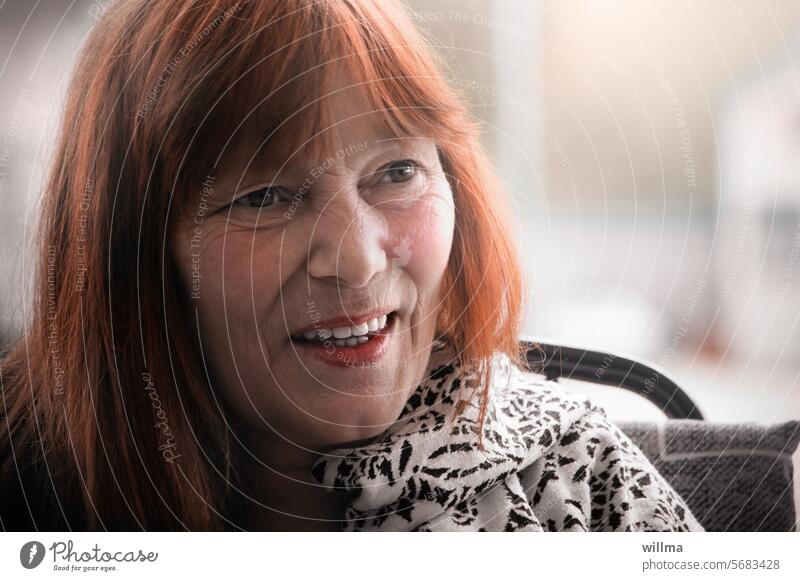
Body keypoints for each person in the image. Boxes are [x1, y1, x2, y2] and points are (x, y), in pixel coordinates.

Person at [0, 0, 703, 532]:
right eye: (267, 195)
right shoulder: (33, 492)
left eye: (396, 171)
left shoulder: (576, 476)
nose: (360, 259)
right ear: (137, 251)